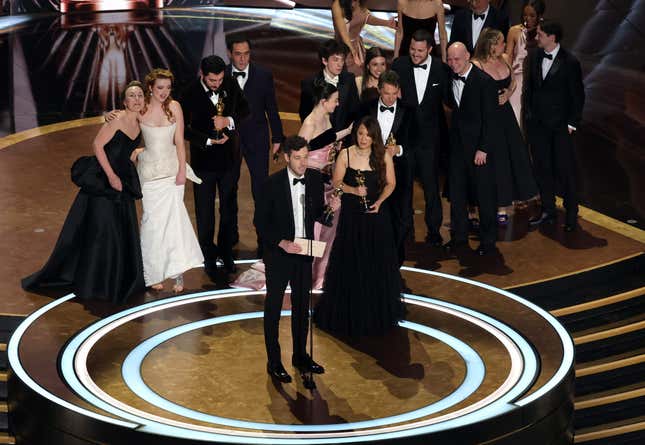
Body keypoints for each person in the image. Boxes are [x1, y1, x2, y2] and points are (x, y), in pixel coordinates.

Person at [22, 82, 146, 303]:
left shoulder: (141, 120)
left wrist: (138, 153)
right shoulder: (116, 119)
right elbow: (97, 145)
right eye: (131, 95)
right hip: (104, 178)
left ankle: (115, 279)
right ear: (124, 101)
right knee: (101, 231)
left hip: (122, 179)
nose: (136, 99)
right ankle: (95, 282)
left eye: (139, 95)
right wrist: (111, 176)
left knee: (119, 232)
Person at [232, 82, 352, 291]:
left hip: (326, 178)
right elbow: (301, 153)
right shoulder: (309, 123)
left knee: (326, 227)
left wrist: (341, 138)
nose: (338, 103)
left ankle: (318, 273)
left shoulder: (326, 117)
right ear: (324, 101)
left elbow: (327, 139)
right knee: (312, 227)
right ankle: (304, 272)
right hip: (313, 180)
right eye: (335, 100)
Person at [255, 135, 339, 383]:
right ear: (287, 157)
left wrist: (329, 209)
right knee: (273, 307)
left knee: (302, 307)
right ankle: (274, 361)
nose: (303, 163)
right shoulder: (271, 185)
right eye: (298, 158)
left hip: (303, 252)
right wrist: (281, 243)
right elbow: (260, 223)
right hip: (279, 254)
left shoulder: (313, 180)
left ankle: (300, 356)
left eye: (306, 157)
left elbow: (316, 217)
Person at [314, 116, 405, 337]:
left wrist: (380, 202)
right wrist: (354, 191)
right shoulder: (346, 154)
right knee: (351, 260)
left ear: (374, 136)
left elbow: (391, 183)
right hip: (352, 216)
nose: (364, 138)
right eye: (361, 134)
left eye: (368, 135)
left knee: (375, 262)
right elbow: (336, 182)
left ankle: (374, 313)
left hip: (376, 217)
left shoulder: (383, 155)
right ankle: (349, 313)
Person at [180, 55, 249, 278]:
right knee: (204, 211)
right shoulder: (189, 92)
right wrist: (207, 140)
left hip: (229, 161)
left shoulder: (229, 83)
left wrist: (228, 120)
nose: (217, 84)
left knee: (229, 209)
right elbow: (181, 128)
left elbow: (245, 110)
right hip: (203, 163)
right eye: (212, 81)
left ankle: (226, 253)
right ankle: (208, 256)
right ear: (202, 75)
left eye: (219, 80)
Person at [135, 69, 204, 292]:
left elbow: (180, 142)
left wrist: (182, 171)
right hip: (148, 174)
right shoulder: (140, 108)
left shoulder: (175, 107)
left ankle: (177, 275)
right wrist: (136, 149)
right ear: (150, 88)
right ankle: (152, 273)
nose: (164, 92)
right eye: (160, 88)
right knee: (151, 225)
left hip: (172, 172)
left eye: (168, 87)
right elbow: (125, 130)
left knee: (174, 224)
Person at [226, 35, 284, 257]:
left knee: (260, 191)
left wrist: (277, 138)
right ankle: (230, 237)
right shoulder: (221, 73)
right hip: (228, 142)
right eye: (238, 54)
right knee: (228, 189)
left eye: (246, 54)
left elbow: (272, 108)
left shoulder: (263, 75)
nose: (242, 59)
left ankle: (264, 238)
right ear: (231, 53)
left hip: (257, 140)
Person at [472, 28, 538, 224]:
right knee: (494, 160)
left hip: (505, 115)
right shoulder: (476, 65)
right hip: (488, 117)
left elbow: (513, 83)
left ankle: (504, 204)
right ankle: (487, 204)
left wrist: (508, 94)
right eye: (501, 42)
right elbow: (474, 94)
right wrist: (492, 100)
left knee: (511, 157)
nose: (504, 45)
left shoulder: (505, 59)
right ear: (491, 45)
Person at [524, 20, 585, 232]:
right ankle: (548, 210)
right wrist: (529, 118)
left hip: (560, 127)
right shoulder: (534, 57)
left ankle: (571, 212)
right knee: (542, 169)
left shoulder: (570, 62)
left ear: (552, 37)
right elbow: (530, 90)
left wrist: (571, 124)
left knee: (565, 170)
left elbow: (578, 96)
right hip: (538, 126)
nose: (536, 37)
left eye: (540, 34)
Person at [392, 28, 449, 247]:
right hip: (405, 141)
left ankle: (434, 231)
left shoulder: (440, 70)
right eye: (412, 49)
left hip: (430, 142)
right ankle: (405, 231)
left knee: (431, 188)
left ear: (430, 49)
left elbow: (449, 101)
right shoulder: (399, 66)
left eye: (420, 50)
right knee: (404, 188)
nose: (415, 54)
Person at [445, 42, 498, 255]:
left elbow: (491, 120)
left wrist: (483, 148)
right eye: (449, 59)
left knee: (484, 196)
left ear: (468, 56)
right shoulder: (449, 77)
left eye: (457, 59)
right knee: (457, 195)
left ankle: (488, 242)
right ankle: (459, 238)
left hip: (478, 150)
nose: (453, 63)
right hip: (457, 148)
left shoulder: (485, 82)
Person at [357, 70, 412, 267]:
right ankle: (370, 258)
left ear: (399, 91)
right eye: (386, 93)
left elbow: (419, 143)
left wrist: (399, 149)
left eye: (394, 93)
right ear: (379, 90)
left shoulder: (409, 110)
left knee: (401, 218)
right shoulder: (365, 108)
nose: (390, 98)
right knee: (371, 215)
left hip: (399, 173)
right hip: (369, 172)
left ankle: (394, 261)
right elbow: (356, 135)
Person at [299, 39, 360, 136]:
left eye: (342, 60)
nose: (340, 64)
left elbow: (354, 110)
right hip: (318, 140)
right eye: (335, 60)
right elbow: (305, 114)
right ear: (324, 60)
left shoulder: (349, 80)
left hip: (343, 139)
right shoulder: (309, 83)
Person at [505, 0, 545, 126]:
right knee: (515, 119)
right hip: (516, 80)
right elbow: (508, 57)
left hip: (536, 82)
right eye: (525, 15)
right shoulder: (514, 31)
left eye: (532, 16)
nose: (527, 19)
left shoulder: (544, 33)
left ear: (540, 16)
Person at [331, 0, 397, 75]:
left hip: (358, 47)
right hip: (344, 49)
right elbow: (344, 34)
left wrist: (387, 23)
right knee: (351, 79)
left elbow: (366, 18)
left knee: (362, 78)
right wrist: (354, 54)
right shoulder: (337, 4)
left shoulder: (360, 2)